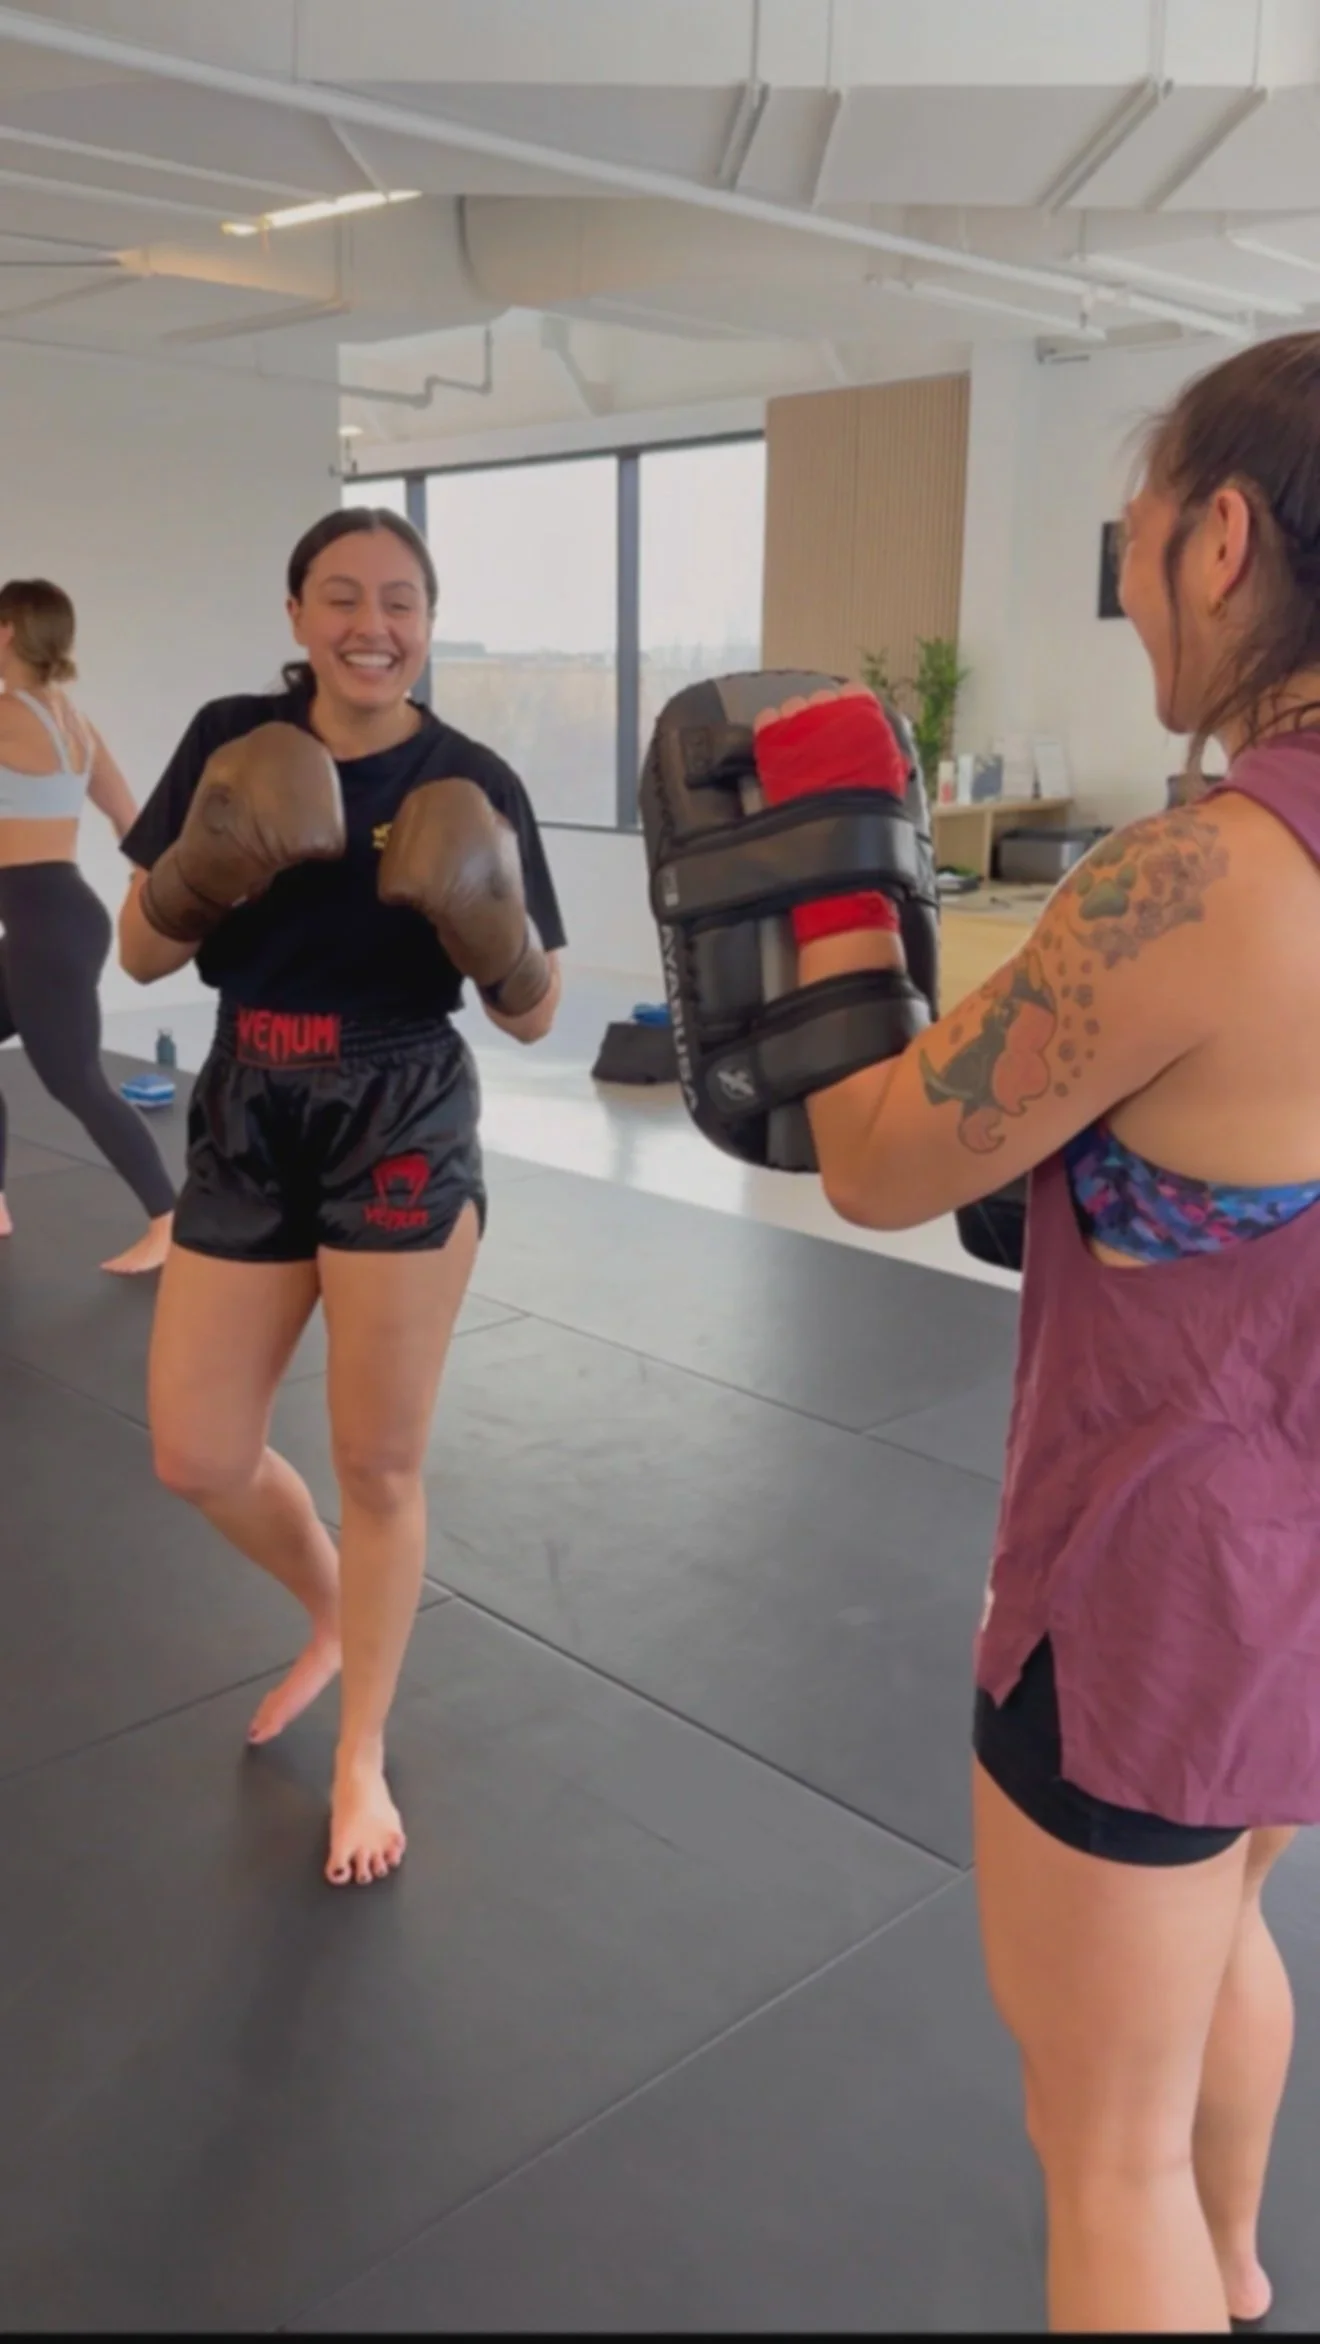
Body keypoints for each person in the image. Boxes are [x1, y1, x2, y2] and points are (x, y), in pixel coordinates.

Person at [721, 333, 1320, 2332]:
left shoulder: (1206, 876)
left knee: (1101, 2143)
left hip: (1161, 1584)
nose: (1131, 581)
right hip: (1299, 1564)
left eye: (1130, 536)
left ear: (1219, 536)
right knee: (1227, 1915)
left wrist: (826, 874)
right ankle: (1241, 2267)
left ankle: (1192, 2252)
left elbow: (879, 1161)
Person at [117, 505, 565, 1888]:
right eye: (342, 595)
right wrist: (206, 867)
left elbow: (538, 1013)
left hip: (400, 1108)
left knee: (377, 1463)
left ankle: (361, 1748)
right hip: (250, 1096)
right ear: (299, 614)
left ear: (429, 619)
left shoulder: (474, 775)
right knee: (196, 1451)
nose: (374, 624)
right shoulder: (228, 737)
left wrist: (488, 928)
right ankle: (330, 1610)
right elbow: (138, 953)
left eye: (401, 600)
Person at [0, 578, 175, 1273]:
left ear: (6, 631)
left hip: (45, 924)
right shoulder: (73, 722)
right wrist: (143, 888)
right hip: (63, 915)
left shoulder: (5, 714)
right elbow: (132, 823)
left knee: (75, 1081)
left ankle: (170, 1219)